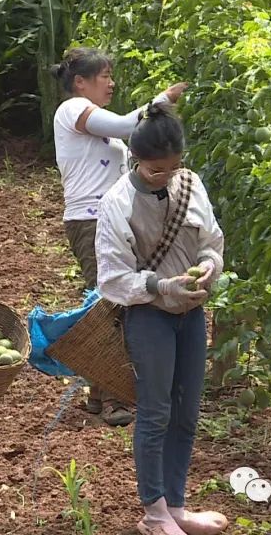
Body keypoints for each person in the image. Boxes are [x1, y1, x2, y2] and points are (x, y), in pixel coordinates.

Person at [95, 104, 227, 535]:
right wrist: (161, 286)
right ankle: (153, 511)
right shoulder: (118, 203)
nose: (167, 176)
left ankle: (176, 505)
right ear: (136, 159)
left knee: (186, 411)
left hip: (191, 312)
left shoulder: (190, 185)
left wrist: (208, 264)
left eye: (174, 167)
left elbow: (211, 238)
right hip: (149, 317)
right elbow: (113, 278)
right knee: (156, 412)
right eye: (156, 170)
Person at [50, 47, 188, 427]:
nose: (111, 83)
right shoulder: (73, 110)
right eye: (104, 76)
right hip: (89, 220)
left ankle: (101, 394)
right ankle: (113, 397)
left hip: (107, 219)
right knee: (111, 302)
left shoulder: (93, 122)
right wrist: (163, 100)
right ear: (80, 82)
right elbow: (130, 125)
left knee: (109, 302)